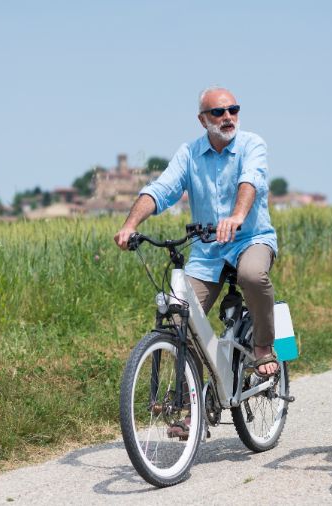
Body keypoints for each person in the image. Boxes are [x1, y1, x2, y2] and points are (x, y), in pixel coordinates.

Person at [114, 86, 279, 380]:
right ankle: (195, 407)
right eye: (218, 112)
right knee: (179, 315)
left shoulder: (252, 144)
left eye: (233, 110)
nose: (228, 117)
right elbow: (161, 189)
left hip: (250, 239)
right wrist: (131, 224)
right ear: (203, 120)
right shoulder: (189, 153)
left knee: (252, 275)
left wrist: (238, 215)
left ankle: (264, 346)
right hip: (208, 251)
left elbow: (249, 180)